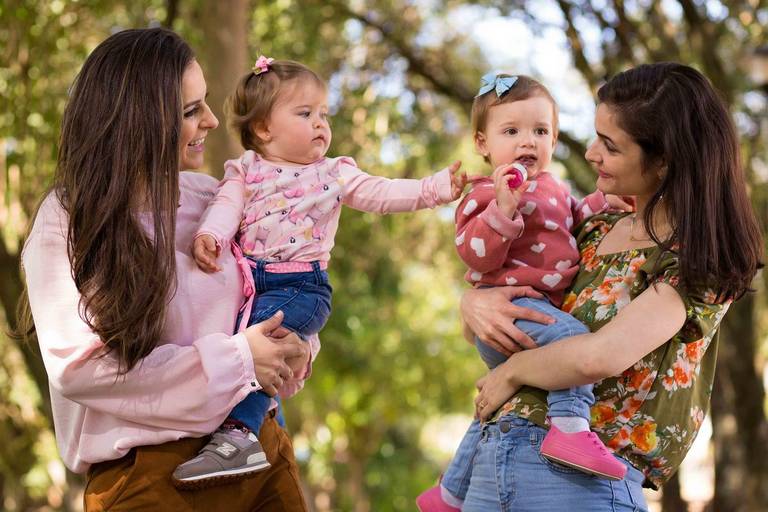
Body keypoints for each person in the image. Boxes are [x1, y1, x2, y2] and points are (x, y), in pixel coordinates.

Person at [18, 28, 313, 511]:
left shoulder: (215, 199)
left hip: (260, 456)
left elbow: (282, 284)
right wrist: (240, 359)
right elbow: (79, 367)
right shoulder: (67, 219)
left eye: (206, 104)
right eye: (191, 110)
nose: (212, 120)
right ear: (139, 120)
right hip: (148, 478)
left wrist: (295, 347)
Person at [453, 63, 762, 510]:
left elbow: (599, 356)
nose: (591, 153)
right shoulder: (592, 230)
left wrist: (514, 372)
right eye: (596, 136)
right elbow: (496, 327)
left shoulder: (694, 262)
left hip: (578, 486)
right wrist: (472, 303)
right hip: (494, 458)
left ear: (664, 160)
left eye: (610, 145)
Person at [173, 56, 468, 486]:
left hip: (302, 286)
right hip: (252, 286)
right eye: (305, 113)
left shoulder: (333, 173)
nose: (320, 124)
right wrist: (210, 236)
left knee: (262, 345)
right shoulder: (245, 170)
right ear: (263, 128)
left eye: (324, 114)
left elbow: (382, 193)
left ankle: (239, 437)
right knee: (242, 353)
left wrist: (434, 189)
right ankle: (257, 433)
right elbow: (226, 206)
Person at [417, 73, 632, 512]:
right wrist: (502, 210)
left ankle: (450, 491)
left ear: (554, 138)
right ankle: (570, 429)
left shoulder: (554, 186)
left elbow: (573, 220)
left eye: (540, 130)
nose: (527, 141)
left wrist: (602, 202)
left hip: (534, 314)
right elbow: (475, 254)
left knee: (501, 401)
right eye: (511, 131)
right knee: (574, 342)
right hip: (512, 310)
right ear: (482, 143)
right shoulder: (483, 193)